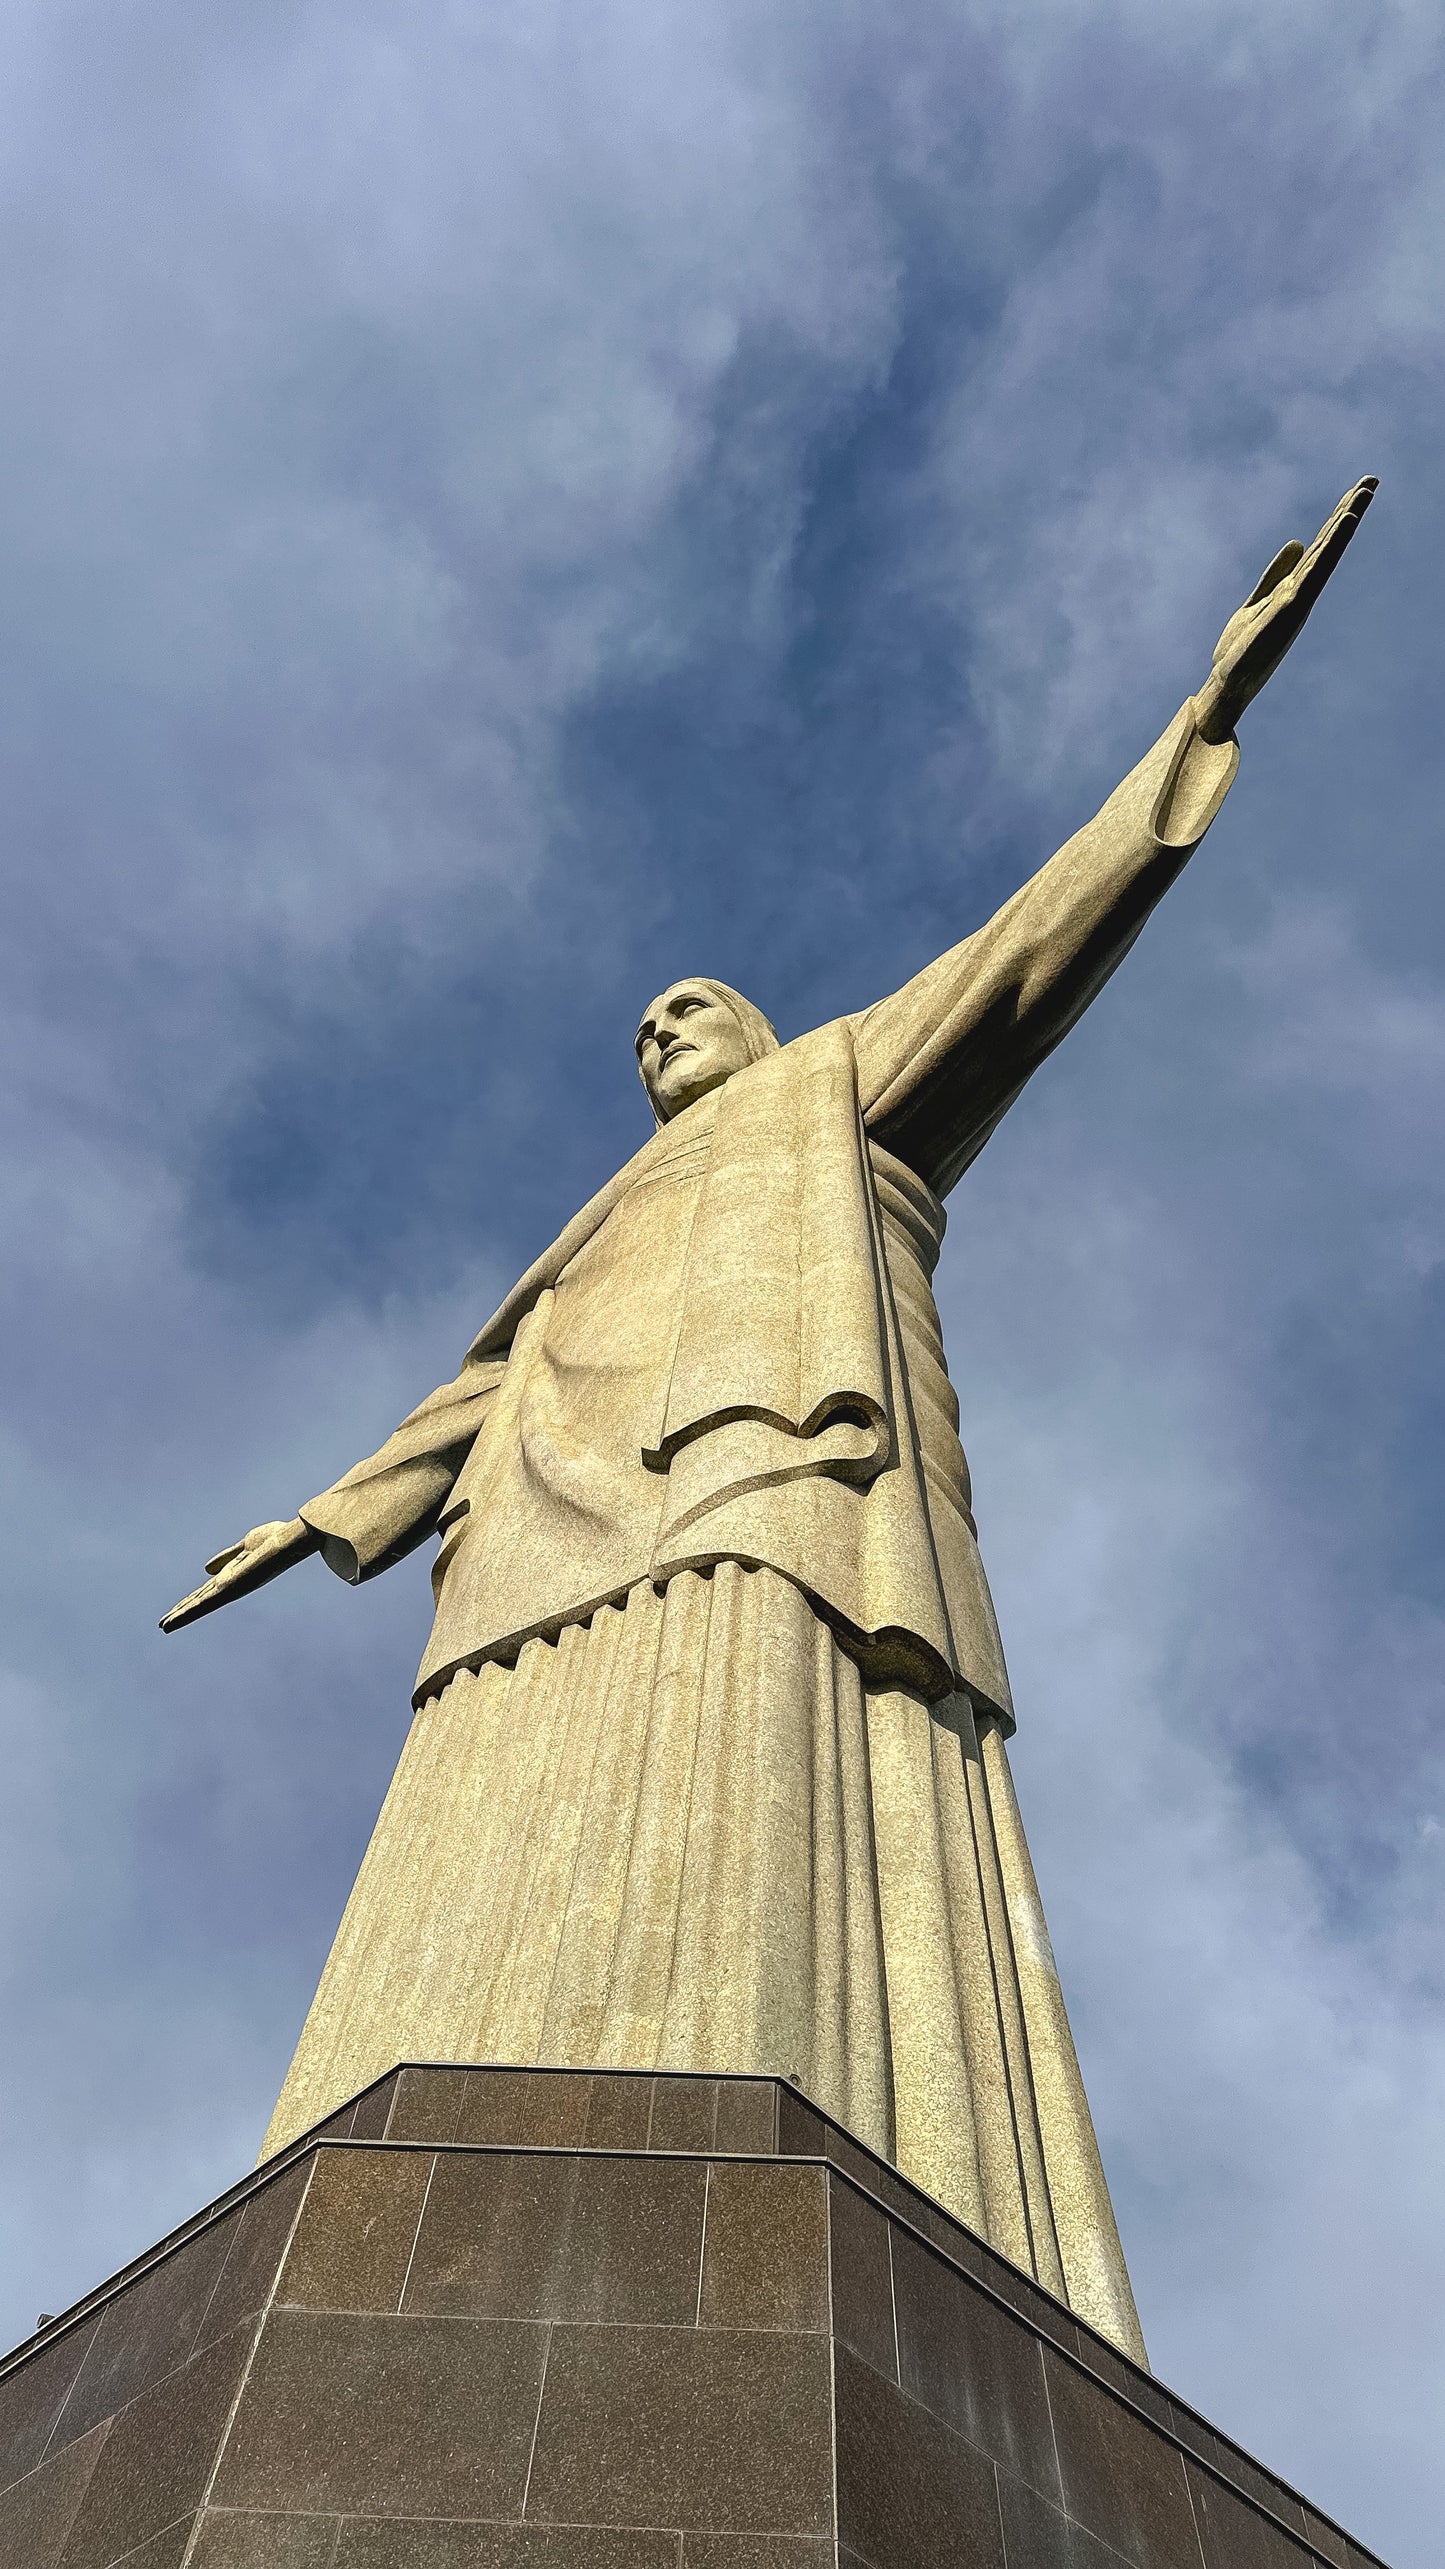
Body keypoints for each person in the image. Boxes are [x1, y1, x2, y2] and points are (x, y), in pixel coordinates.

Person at [164, 479, 1375, 2360]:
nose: (661, 1029)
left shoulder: (837, 1091)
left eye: (691, 1005)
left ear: (760, 1026)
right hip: (534, 1522)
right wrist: (323, 1518)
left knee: (746, 1774)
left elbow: (1025, 953)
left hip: (753, 1465)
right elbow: (476, 1385)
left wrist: (1197, 718)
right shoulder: (586, 1230)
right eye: (640, 1027)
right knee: (492, 1830)